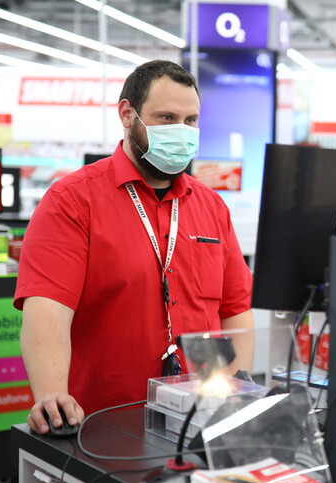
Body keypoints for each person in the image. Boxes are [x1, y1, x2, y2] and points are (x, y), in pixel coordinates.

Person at [15, 60, 254, 435]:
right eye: (166, 117)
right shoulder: (72, 201)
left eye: (190, 120)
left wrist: (231, 399)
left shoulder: (211, 206)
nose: (182, 130)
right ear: (128, 115)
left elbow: (234, 310)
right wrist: (52, 398)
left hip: (196, 425)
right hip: (101, 427)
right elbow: (47, 313)